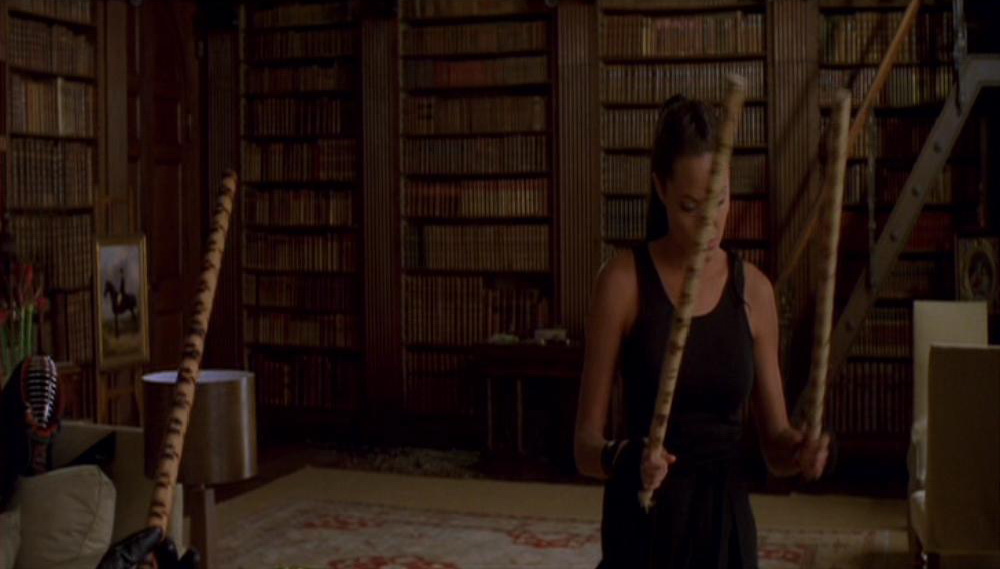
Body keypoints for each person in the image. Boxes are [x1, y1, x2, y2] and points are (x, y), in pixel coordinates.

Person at [574, 95, 830, 568]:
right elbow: (584, 447)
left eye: (721, 200)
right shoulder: (622, 283)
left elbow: (775, 447)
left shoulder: (755, 291)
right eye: (691, 207)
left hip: (723, 525)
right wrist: (627, 458)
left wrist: (800, 451)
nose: (710, 224)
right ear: (661, 188)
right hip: (645, 522)